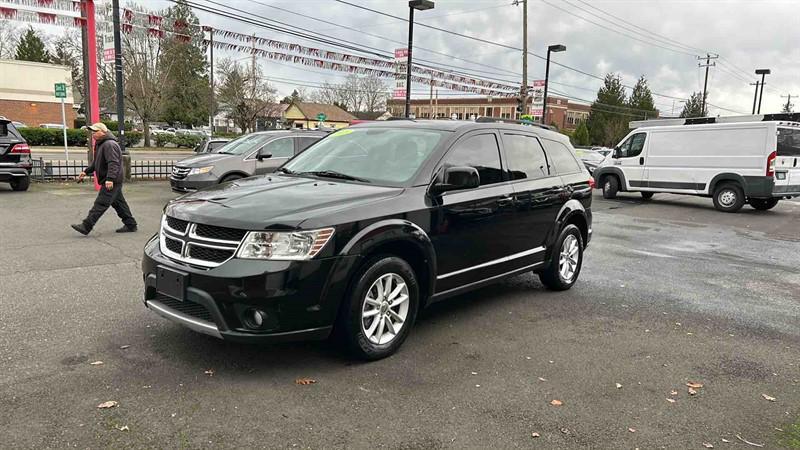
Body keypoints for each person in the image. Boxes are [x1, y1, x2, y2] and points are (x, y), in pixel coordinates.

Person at [70, 123, 138, 235]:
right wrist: (86, 171)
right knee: (119, 204)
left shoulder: (109, 144)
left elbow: (113, 164)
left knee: (101, 203)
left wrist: (110, 179)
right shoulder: (101, 144)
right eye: (92, 132)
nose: (93, 134)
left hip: (112, 181)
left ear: (103, 132)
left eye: (95, 132)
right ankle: (131, 224)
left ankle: (86, 226)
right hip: (112, 180)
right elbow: (97, 163)